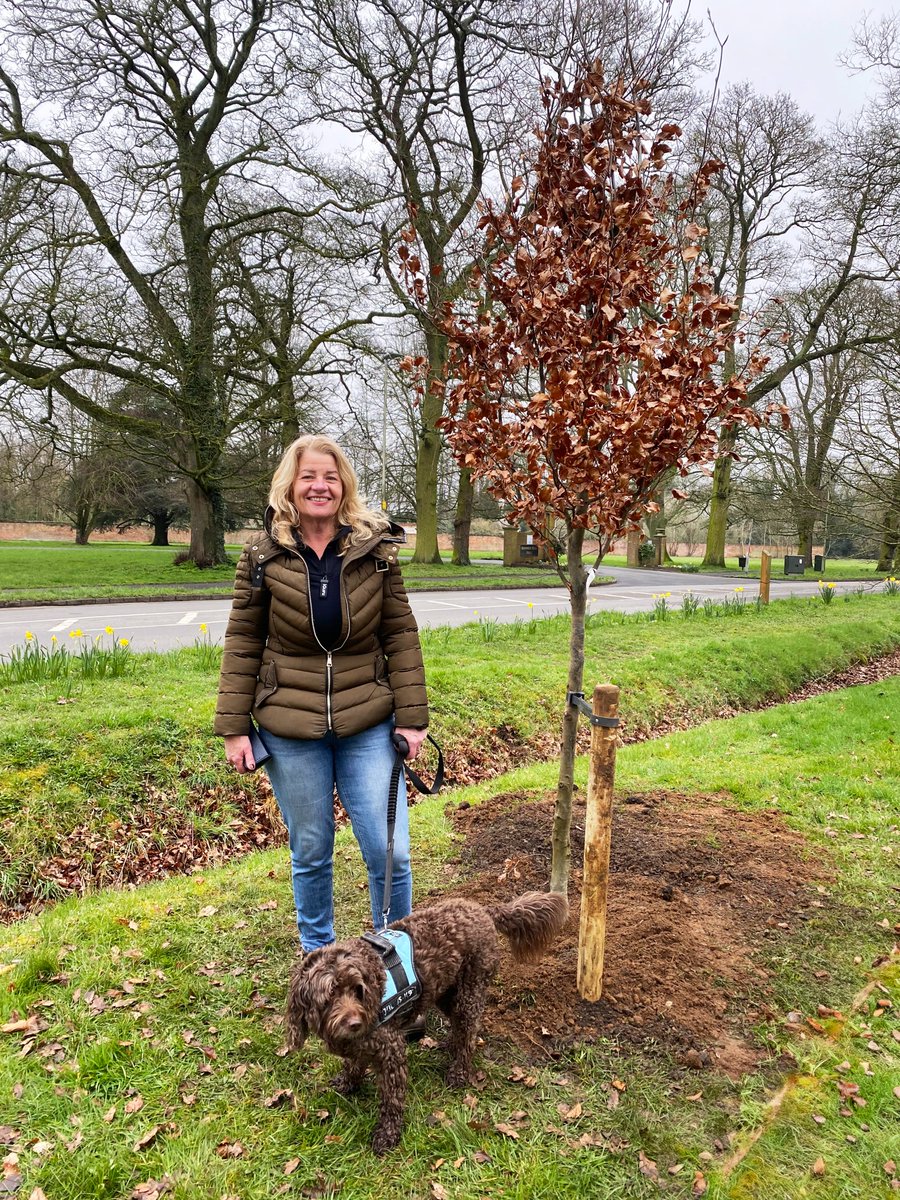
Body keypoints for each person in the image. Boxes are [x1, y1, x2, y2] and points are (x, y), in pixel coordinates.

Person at [215, 434, 428, 953]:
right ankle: (319, 956)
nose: (319, 486)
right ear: (291, 484)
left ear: (344, 486)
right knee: (311, 848)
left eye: (330, 477)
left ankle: (394, 957)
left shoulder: (376, 552)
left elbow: (400, 633)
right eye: (309, 476)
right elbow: (243, 640)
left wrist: (412, 718)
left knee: (388, 852)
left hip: (369, 723)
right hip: (289, 728)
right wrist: (234, 728)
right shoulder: (262, 554)